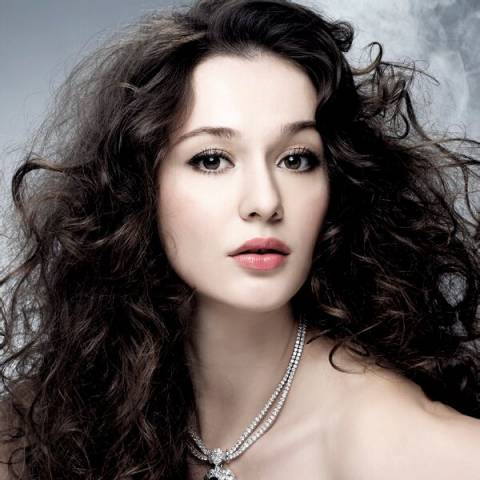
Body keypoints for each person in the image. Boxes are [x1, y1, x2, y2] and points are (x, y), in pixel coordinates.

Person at [1, 0, 480, 478]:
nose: (265, 202)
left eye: (296, 159)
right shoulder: (42, 425)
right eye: (212, 159)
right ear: (139, 186)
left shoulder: (416, 449)